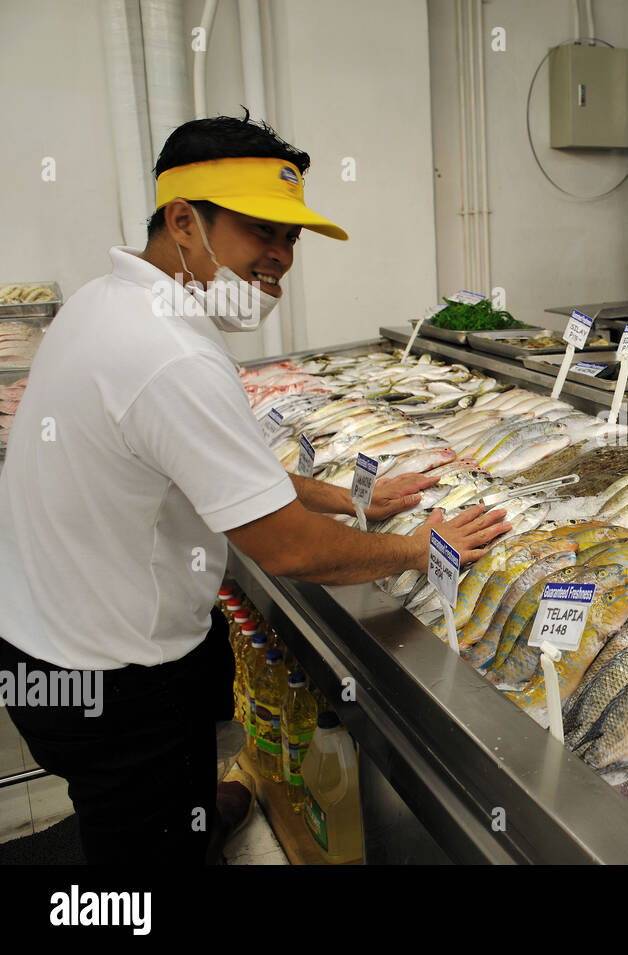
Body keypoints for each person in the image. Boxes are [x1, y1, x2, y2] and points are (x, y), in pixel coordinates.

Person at [0, 114, 510, 864]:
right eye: (258, 231)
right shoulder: (168, 352)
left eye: (291, 238)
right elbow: (290, 551)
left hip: (49, 640)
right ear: (183, 220)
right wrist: (421, 548)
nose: (279, 257)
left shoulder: (108, 301)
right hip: (109, 675)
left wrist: (354, 498)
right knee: (139, 852)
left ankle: (189, 808)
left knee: (160, 785)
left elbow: (217, 466)